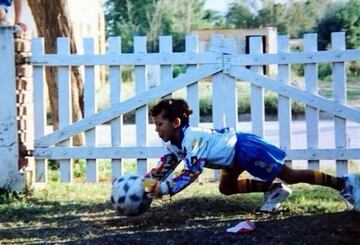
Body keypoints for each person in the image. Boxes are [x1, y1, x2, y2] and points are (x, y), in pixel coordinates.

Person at [144, 98, 360, 212]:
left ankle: (344, 184)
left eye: (159, 124)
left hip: (243, 149)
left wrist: (165, 189)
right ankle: (274, 189)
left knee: (291, 175)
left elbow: (193, 171)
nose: (157, 129)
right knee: (226, 188)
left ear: (175, 123)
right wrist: (144, 186)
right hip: (230, 156)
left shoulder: (193, 139)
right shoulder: (175, 142)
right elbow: (166, 166)